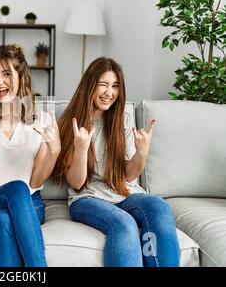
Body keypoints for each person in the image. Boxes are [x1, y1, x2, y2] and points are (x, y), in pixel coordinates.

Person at [54, 57, 180, 267]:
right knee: (124, 223)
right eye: (103, 84)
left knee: (158, 206)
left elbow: (129, 175)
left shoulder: (122, 119)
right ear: (90, 85)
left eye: (115, 86)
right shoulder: (72, 122)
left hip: (124, 192)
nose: (109, 92)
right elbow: (76, 183)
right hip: (87, 198)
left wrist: (141, 153)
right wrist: (81, 150)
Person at [0, 44, 60, 267]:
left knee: (5, 218)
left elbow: (36, 181)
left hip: (30, 204)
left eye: (7, 74)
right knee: (16, 188)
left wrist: (54, 152)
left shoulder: (42, 120)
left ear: (21, 75)